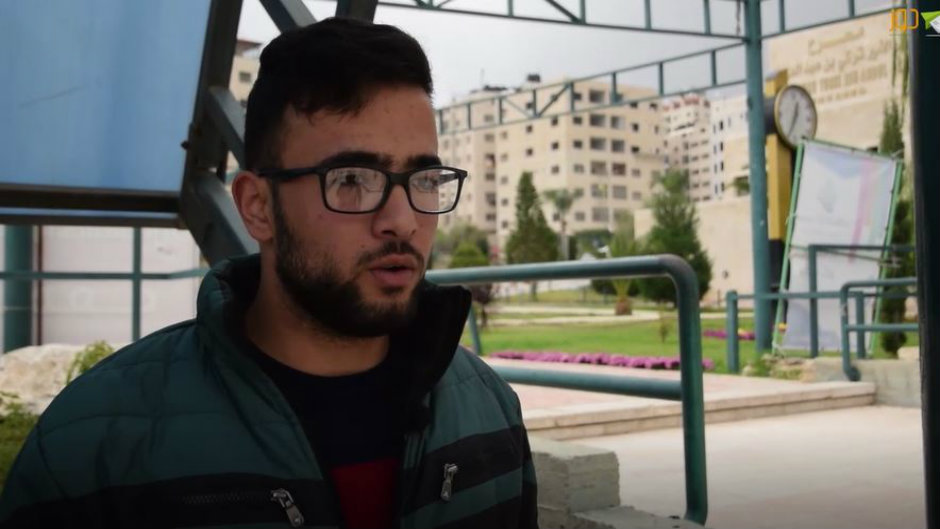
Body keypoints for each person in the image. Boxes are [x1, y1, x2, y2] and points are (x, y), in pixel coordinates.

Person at [0, 17, 538, 529]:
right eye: (352, 180)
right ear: (257, 207)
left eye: (424, 180)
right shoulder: (95, 446)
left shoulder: (489, 410)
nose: (402, 220)